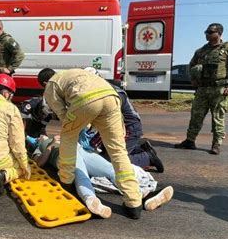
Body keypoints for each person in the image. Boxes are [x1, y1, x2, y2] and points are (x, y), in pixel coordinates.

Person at [38, 68, 142, 219]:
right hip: (111, 96)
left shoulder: (51, 85)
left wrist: (77, 124)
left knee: (68, 137)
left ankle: (66, 181)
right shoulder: (73, 73)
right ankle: (134, 203)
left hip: (86, 99)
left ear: (44, 82)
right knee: (118, 151)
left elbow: (62, 115)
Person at [30, 135, 174, 219]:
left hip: (82, 151)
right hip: (64, 155)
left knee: (112, 170)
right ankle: (92, 201)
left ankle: (145, 195)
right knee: (81, 175)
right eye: (38, 136)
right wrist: (50, 145)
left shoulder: (57, 135)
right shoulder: (40, 146)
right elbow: (39, 163)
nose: (41, 135)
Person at [175, 23, 228, 155]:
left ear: (219, 33)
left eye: (210, 32)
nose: (207, 34)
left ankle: (216, 144)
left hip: (219, 90)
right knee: (196, 116)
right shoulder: (201, 51)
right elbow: (191, 65)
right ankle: (190, 141)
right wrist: (193, 79)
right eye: (206, 32)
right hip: (202, 89)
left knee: (218, 117)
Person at [83, 67, 164, 172]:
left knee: (111, 162)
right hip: (121, 127)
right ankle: (137, 148)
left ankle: (147, 157)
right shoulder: (103, 90)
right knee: (103, 152)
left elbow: (110, 122)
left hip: (129, 128)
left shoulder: (112, 94)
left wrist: (94, 141)